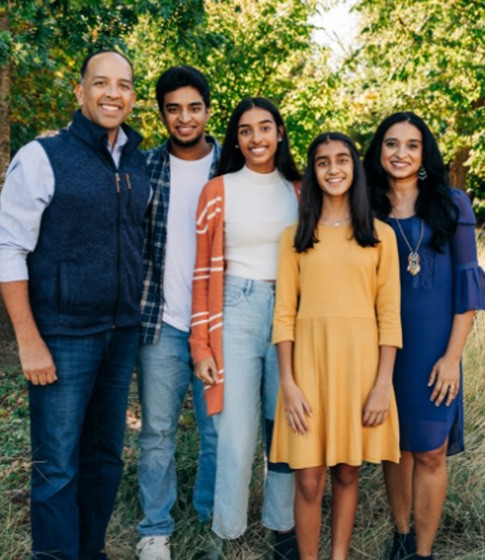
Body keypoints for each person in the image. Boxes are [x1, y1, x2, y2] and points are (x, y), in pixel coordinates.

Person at [0, 50, 150, 560]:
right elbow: (8, 247)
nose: (112, 93)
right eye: (100, 83)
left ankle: (90, 552)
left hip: (121, 333)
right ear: (79, 92)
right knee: (57, 465)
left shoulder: (139, 161)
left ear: (132, 97)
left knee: (105, 458)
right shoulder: (43, 155)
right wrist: (29, 339)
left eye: (123, 85)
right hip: (61, 336)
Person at [364, 112, 485, 560]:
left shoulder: (451, 203)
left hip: (435, 349)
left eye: (412, 145)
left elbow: (468, 285)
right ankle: (400, 538)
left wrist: (452, 357)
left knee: (431, 452)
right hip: (382, 349)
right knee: (394, 448)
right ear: (379, 152)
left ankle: (423, 552)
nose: (401, 153)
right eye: (391, 144)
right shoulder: (367, 206)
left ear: (424, 154)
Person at [270, 132, 402, 559]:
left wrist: (383, 384)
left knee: (347, 471)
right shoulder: (294, 237)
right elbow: (284, 314)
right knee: (308, 478)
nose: (333, 169)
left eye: (342, 159)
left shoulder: (380, 236)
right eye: (323, 162)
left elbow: (389, 315)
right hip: (308, 369)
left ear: (356, 169)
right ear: (313, 172)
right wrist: (287, 382)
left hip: (361, 369)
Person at [190, 97, 302, 558]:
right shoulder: (218, 190)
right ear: (236, 138)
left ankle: (282, 526)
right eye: (245, 130)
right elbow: (201, 271)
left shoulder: (300, 190)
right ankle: (227, 531)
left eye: (265, 128)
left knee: (284, 429)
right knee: (235, 434)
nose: (256, 138)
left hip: (291, 313)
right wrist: (201, 345)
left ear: (279, 133)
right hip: (235, 308)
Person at [137, 66, 220, 560]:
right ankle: (155, 529)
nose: (184, 118)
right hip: (161, 324)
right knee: (157, 432)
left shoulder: (232, 168)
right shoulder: (144, 167)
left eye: (193, 107)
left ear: (208, 111)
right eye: (173, 109)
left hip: (217, 325)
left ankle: (211, 519)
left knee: (217, 432)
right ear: (163, 114)